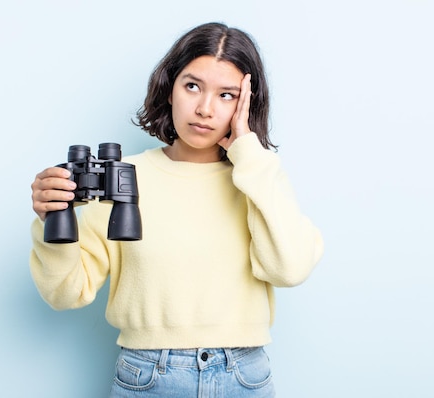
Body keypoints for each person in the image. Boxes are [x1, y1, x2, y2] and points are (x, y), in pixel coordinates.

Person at [30, 22, 324, 397]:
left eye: (227, 95)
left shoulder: (260, 179)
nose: (204, 109)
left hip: (244, 376)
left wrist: (250, 154)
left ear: (246, 104)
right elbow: (66, 293)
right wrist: (52, 217)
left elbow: (290, 268)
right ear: (170, 88)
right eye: (192, 86)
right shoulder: (127, 177)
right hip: (149, 375)